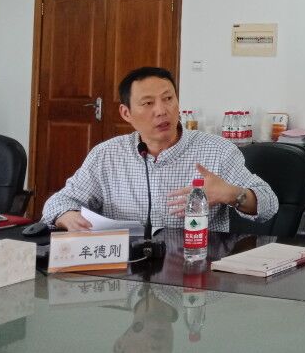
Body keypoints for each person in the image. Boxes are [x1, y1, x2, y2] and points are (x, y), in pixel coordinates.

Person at [42, 66, 278, 232]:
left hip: (195, 267)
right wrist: (66, 215)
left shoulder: (217, 151)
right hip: (125, 273)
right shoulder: (106, 155)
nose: (162, 110)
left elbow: (269, 204)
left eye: (168, 99)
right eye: (148, 103)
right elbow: (58, 202)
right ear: (126, 113)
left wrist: (231, 194)